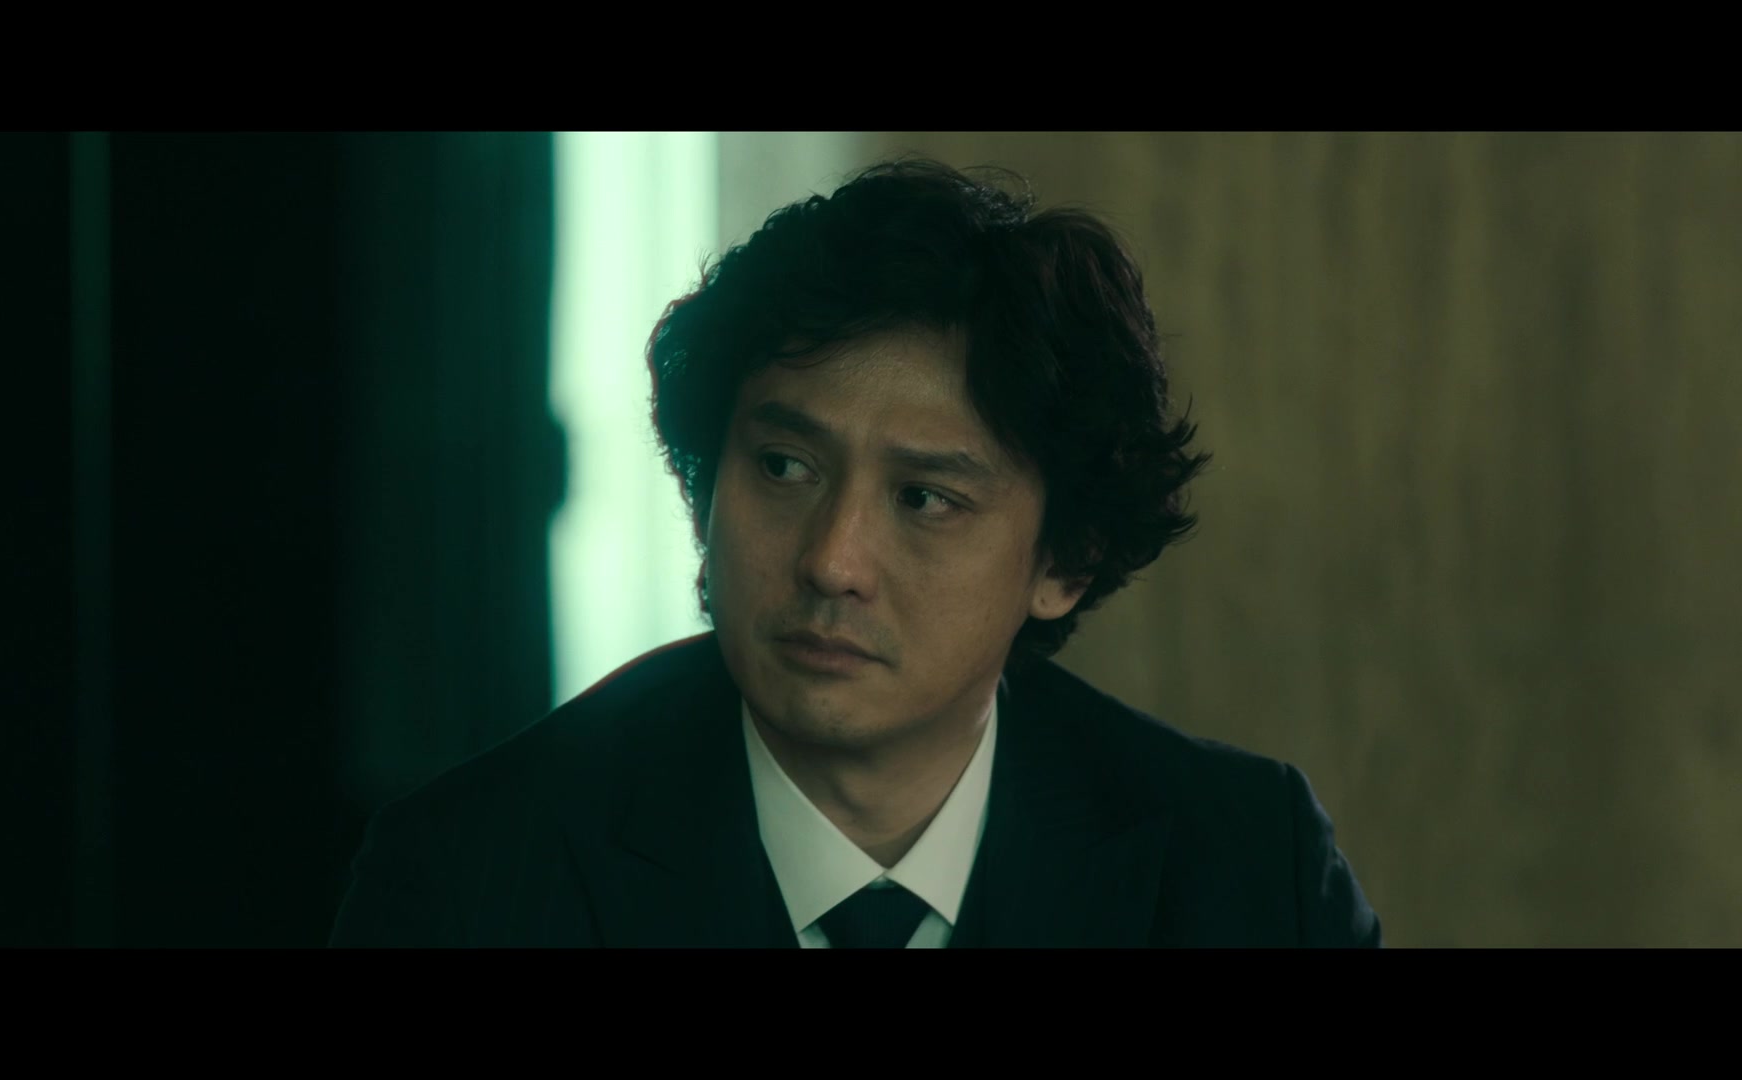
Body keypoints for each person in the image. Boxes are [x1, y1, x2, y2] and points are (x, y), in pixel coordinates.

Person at [329, 159, 1382, 948]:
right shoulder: (472, 875)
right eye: (784, 468)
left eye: (924, 498)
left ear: (1065, 562)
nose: (832, 561)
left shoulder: (1246, 871)